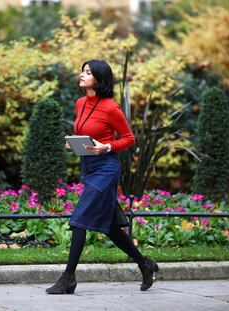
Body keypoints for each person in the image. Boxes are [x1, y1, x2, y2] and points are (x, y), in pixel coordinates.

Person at [46, 59, 159, 295]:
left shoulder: (111, 107)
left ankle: (68, 278)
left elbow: (129, 139)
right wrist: (74, 144)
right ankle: (145, 264)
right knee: (110, 227)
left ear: (99, 78)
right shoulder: (80, 103)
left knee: (79, 220)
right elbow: (85, 133)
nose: (81, 74)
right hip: (88, 168)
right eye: (82, 71)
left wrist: (106, 147)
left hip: (106, 170)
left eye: (87, 72)